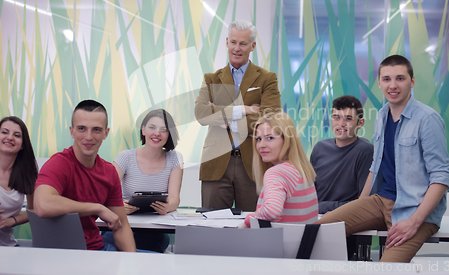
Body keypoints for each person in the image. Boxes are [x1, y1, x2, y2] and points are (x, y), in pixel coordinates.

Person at [318, 55, 449, 263]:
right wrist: (359, 207)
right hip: (381, 201)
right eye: (387, 79)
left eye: (400, 78)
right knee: (318, 231)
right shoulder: (381, 116)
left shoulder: (428, 119)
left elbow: (441, 178)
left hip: (414, 209)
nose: (393, 85)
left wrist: (414, 222)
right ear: (379, 83)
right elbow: (375, 167)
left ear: (412, 81)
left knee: (386, 269)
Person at [195, 19, 281, 212]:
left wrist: (222, 117)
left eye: (242, 43)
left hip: (253, 164)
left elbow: (271, 117)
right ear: (226, 42)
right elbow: (201, 114)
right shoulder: (211, 79)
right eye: (233, 42)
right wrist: (245, 110)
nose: (237, 48)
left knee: (254, 230)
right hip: (216, 163)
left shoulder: (267, 78)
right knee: (212, 228)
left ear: (252, 46)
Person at [34, 100, 136, 251]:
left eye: (96, 129)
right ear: (72, 131)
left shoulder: (109, 172)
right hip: (60, 256)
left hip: (96, 250)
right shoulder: (59, 163)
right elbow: (42, 205)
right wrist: (97, 208)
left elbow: (121, 227)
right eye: (82, 128)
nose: (88, 137)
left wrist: (131, 264)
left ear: (105, 133)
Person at [103, 109, 183, 253]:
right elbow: (104, 193)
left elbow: (175, 199)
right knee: (111, 245)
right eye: (152, 127)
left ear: (169, 133)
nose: (157, 133)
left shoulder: (175, 159)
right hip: (123, 223)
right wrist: (120, 206)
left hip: (153, 230)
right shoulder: (125, 157)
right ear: (143, 130)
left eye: (163, 129)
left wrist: (168, 207)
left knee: (147, 246)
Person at [243, 111, 318, 228]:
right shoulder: (302, 169)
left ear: (287, 140)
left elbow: (272, 211)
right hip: (301, 245)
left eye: (269, 138)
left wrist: (247, 221)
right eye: (258, 139)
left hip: (279, 245)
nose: (261, 145)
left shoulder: (277, 173)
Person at [310, 95, 373, 214]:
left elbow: (364, 202)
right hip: (314, 218)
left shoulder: (365, 151)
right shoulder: (319, 148)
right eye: (336, 117)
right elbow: (308, 193)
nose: (341, 124)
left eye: (348, 118)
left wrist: (326, 208)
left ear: (360, 123)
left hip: (346, 221)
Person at [0, 116, 38, 246]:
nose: (10, 137)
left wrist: (11, 221)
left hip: (7, 246)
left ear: (22, 145)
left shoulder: (27, 174)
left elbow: (33, 211)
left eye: (16, 135)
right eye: (4, 132)